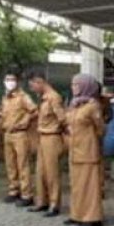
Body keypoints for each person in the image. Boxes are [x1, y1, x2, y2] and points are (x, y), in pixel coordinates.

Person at [65, 74, 105, 226]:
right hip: (74, 151)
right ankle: (77, 214)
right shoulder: (75, 105)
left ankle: (92, 216)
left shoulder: (92, 106)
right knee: (76, 186)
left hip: (88, 152)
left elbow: (101, 129)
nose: (73, 87)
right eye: (73, 84)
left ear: (86, 86)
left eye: (77, 85)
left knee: (89, 186)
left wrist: (90, 138)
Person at [27, 71, 66, 217]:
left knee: (52, 173)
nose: (33, 89)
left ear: (40, 81)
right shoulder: (43, 98)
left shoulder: (54, 97)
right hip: (42, 137)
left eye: (33, 86)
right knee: (40, 172)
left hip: (52, 137)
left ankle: (54, 204)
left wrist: (61, 135)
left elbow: (62, 118)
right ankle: (42, 201)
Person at [0, 71, 37, 206]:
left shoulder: (23, 97)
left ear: (17, 82)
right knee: (10, 164)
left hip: (20, 134)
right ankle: (13, 190)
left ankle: (27, 194)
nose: (10, 82)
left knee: (23, 164)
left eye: (12, 79)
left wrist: (25, 121)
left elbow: (34, 110)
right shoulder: (5, 98)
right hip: (7, 134)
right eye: (7, 79)